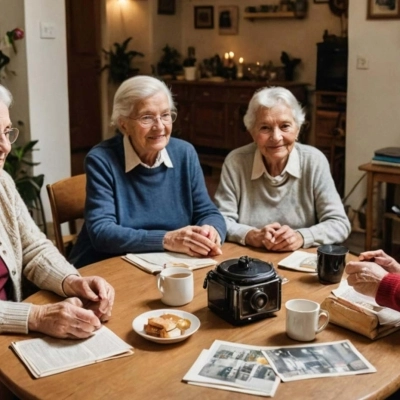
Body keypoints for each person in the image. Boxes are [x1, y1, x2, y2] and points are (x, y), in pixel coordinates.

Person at [69, 75, 226, 268]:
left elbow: (208, 211)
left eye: (166, 115)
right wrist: (168, 239)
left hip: (167, 265)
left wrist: (211, 230)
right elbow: (102, 233)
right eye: (147, 117)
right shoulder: (102, 159)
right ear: (123, 124)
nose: (159, 126)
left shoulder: (185, 153)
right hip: (106, 267)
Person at [0, 84, 114, 339]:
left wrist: (73, 281)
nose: (6, 147)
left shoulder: (2, 183)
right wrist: (37, 316)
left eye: (6, 133)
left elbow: (34, 248)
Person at [214, 86, 350, 251]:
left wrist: (301, 236)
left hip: (301, 261)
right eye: (265, 128)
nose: (276, 137)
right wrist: (252, 235)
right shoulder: (236, 161)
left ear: (298, 129)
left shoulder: (314, 161)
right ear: (252, 132)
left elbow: (339, 223)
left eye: (285, 126)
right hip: (248, 262)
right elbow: (220, 220)